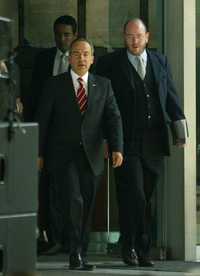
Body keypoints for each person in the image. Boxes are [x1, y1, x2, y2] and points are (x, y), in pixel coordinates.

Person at [96, 18, 187, 267]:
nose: (134, 41)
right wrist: (105, 138)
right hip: (125, 141)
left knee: (146, 196)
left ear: (147, 36)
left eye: (138, 36)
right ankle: (133, 246)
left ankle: (139, 246)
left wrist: (180, 130)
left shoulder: (160, 61)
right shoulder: (110, 63)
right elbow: (101, 103)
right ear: (123, 37)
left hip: (155, 140)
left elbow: (171, 96)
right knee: (133, 194)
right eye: (129, 36)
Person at [35, 37, 123, 270]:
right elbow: (43, 121)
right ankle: (75, 252)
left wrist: (117, 147)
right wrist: (39, 153)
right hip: (63, 157)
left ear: (92, 59)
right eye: (76, 53)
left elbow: (113, 118)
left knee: (87, 204)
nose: (81, 58)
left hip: (93, 157)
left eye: (86, 54)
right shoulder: (55, 84)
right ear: (69, 58)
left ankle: (81, 251)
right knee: (74, 201)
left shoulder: (103, 85)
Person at [30, 15, 77, 254]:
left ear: (74, 35)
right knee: (47, 188)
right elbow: (34, 97)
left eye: (67, 34)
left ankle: (71, 239)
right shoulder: (43, 59)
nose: (62, 39)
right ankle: (52, 237)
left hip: (72, 134)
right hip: (47, 134)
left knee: (71, 190)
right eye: (58, 34)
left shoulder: (81, 59)